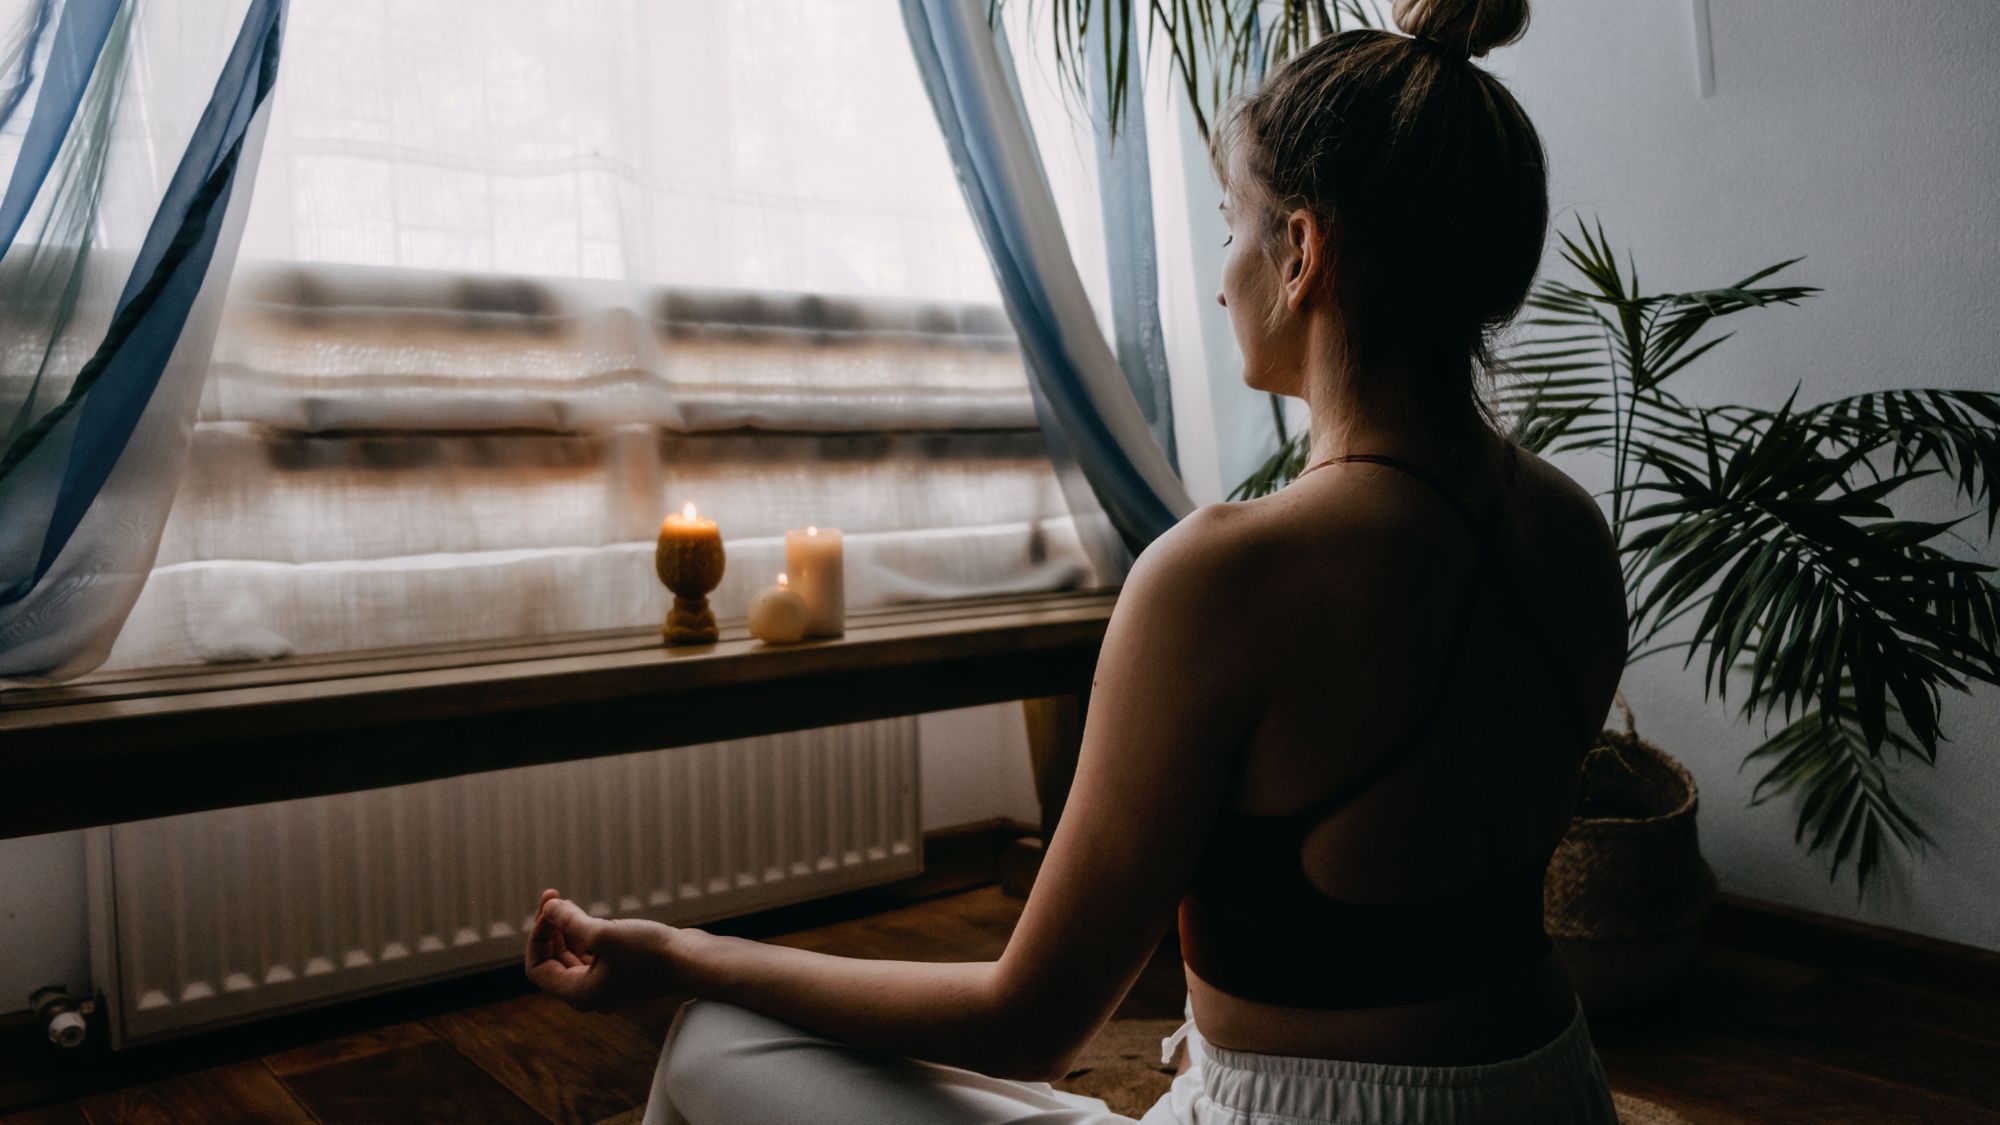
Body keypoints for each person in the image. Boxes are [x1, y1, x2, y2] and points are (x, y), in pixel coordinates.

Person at [524, 0, 1626, 1119]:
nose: (1217, 277)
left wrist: (678, 954)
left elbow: (1027, 1021)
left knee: (719, 1041)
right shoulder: (1569, 532)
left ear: (1300, 252)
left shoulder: (1225, 576)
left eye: (1229, 225)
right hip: (1551, 1090)